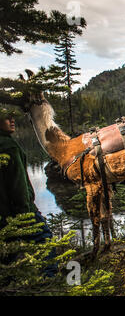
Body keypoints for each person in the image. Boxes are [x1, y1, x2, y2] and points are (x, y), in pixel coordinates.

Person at [0, 107, 57, 277]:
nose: (12, 120)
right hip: (20, 213)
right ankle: (50, 282)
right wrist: (26, 215)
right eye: (6, 118)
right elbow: (18, 187)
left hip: (2, 217)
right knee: (44, 240)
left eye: (12, 117)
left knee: (7, 255)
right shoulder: (9, 146)